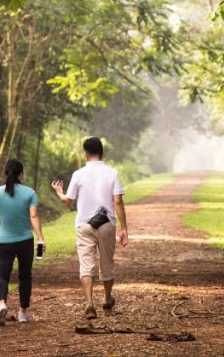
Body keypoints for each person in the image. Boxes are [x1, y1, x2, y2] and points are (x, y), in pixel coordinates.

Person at [51, 137, 129, 320]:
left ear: (85, 154)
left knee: (86, 265)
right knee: (106, 264)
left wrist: (59, 193)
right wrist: (124, 227)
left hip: (84, 225)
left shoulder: (78, 174)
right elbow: (117, 201)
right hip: (106, 224)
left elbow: (69, 201)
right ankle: (107, 298)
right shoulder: (112, 173)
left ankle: (89, 304)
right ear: (102, 152)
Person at [0, 158, 45, 325]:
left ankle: (2, 304)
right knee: (24, 275)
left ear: (6, 173)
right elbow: (33, 216)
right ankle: (22, 312)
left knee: (2, 275)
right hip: (25, 241)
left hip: (4, 241)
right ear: (21, 173)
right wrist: (40, 237)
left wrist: (1, 231)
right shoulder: (30, 193)